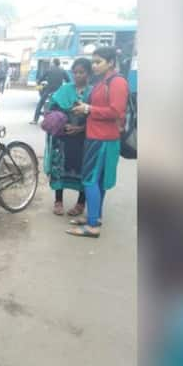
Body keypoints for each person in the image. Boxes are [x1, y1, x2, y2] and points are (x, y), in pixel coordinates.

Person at [66, 46, 128, 237]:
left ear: (110, 62)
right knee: (98, 181)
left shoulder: (117, 82)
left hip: (103, 139)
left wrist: (88, 109)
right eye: (93, 61)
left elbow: (116, 111)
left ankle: (92, 226)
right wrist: (85, 108)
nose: (94, 66)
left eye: (98, 62)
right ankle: (96, 216)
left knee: (89, 180)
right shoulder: (103, 81)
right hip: (97, 136)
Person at [43, 58, 92, 216]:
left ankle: (80, 203)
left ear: (88, 73)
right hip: (63, 137)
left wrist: (80, 128)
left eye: (81, 72)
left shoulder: (92, 93)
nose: (77, 75)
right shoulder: (64, 89)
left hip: (84, 138)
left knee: (84, 170)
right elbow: (52, 108)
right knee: (59, 168)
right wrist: (61, 122)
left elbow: (96, 117)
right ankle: (58, 201)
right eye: (75, 72)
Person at [32, 58, 70, 124]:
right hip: (59, 92)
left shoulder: (49, 70)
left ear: (53, 63)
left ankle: (35, 120)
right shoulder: (63, 70)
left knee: (40, 103)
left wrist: (38, 83)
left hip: (48, 91)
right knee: (62, 105)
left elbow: (41, 79)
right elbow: (68, 81)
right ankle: (62, 120)